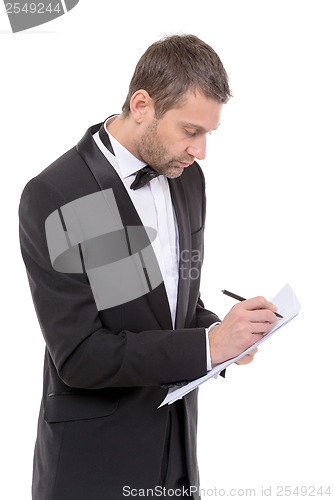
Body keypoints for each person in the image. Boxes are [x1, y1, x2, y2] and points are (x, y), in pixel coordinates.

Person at [19, 34, 278, 500]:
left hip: (177, 460)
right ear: (142, 104)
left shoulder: (187, 178)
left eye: (208, 135)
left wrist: (227, 334)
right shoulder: (59, 193)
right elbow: (81, 356)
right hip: (92, 469)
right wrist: (207, 347)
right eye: (190, 131)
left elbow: (170, 305)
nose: (200, 151)